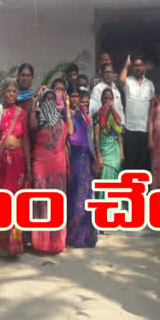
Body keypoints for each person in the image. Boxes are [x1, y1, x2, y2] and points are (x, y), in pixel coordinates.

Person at [0, 78, 31, 257]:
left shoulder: (21, 113)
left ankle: (14, 243)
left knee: (14, 201)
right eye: (9, 91)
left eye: (14, 92)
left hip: (17, 163)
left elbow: (26, 139)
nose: (12, 95)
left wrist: (28, 165)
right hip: (0, 162)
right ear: (2, 93)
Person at [29, 80, 72, 254]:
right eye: (46, 99)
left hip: (58, 165)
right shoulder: (38, 118)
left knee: (57, 202)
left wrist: (67, 108)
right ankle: (40, 244)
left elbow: (70, 131)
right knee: (41, 201)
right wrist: (34, 105)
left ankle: (58, 243)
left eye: (52, 99)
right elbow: (31, 126)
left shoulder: (61, 119)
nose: (49, 102)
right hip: (41, 163)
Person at [66, 84, 98, 247]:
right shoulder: (65, 114)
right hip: (72, 155)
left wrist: (94, 157)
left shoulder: (82, 114)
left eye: (77, 97)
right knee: (74, 195)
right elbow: (69, 135)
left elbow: (90, 138)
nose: (76, 99)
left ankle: (86, 234)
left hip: (85, 156)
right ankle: (73, 234)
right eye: (72, 96)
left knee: (86, 195)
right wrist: (65, 107)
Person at [119, 55, 155, 172]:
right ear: (132, 67)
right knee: (131, 163)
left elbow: (152, 105)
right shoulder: (128, 80)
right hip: (130, 129)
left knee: (143, 163)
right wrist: (126, 65)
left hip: (145, 129)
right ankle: (131, 189)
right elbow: (121, 80)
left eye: (140, 65)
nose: (138, 68)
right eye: (135, 65)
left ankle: (142, 189)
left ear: (144, 67)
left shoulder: (149, 84)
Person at [93, 88, 124, 200]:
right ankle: (103, 207)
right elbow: (96, 138)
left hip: (115, 152)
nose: (108, 101)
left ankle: (114, 208)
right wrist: (99, 156)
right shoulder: (97, 115)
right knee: (104, 179)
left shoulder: (116, 116)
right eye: (105, 98)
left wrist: (121, 152)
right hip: (104, 151)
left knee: (114, 180)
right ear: (101, 99)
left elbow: (119, 135)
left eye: (110, 98)